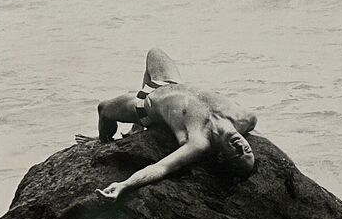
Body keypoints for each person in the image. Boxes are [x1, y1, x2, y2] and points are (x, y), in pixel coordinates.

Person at [77, 48, 258, 199]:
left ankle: (103, 142)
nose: (241, 146)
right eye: (247, 149)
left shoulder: (199, 141)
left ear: (222, 156)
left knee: (103, 110)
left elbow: (161, 168)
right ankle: (136, 129)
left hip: (145, 104)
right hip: (169, 80)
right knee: (154, 52)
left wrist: (124, 185)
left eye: (238, 154)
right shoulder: (246, 118)